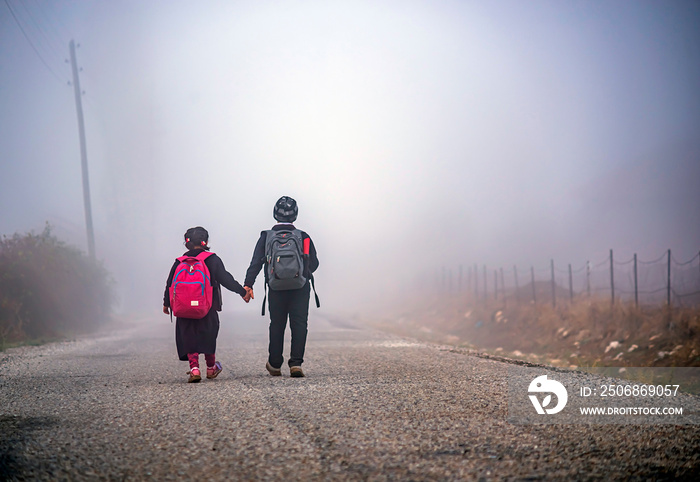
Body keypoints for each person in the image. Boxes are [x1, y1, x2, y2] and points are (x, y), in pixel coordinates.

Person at [163, 226, 251, 383]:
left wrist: (166, 303)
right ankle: (211, 367)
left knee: (188, 335)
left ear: (186, 243)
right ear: (206, 242)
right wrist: (242, 292)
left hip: (183, 309)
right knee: (209, 335)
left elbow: (170, 283)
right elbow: (226, 279)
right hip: (207, 307)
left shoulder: (180, 261)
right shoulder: (212, 259)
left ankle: (194, 369)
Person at [244, 196, 319, 378]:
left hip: (275, 286)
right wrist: (300, 272)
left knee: (277, 324)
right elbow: (314, 263)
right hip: (300, 287)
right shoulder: (303, 236)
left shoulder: (266, 236)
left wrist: (248, 285)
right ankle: (296, 364)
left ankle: (275, 364)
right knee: (299, 324)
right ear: (295, 215)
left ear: (274, 214)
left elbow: (255, 262)